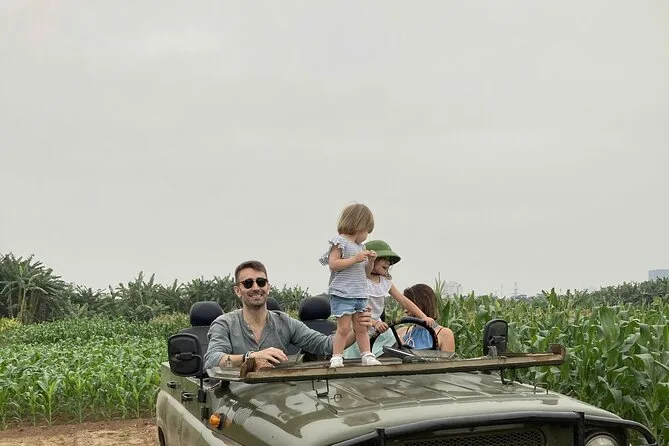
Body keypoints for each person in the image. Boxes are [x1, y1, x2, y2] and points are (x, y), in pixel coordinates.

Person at [203, 260, 373, 370]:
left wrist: (356, 329)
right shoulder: (224, 324)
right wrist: (250, 357)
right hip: (236, 397)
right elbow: (212, 360)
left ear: (268, 287)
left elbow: (326, 345)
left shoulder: (284, 322)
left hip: (279, 394)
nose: (255, 287)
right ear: (238, 290)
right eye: (248, 283)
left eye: (261, 282)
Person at [318, 203, 381, 368]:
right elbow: (333, 264)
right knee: (344, 328)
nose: (366, 236)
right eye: (367, 231)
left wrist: (371, 261)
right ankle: (337, 356)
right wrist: (355, 259)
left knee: (361, 327)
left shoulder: (361, 247)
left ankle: (366, 354)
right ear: (359, 226)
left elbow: (365, 272)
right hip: (343, 293)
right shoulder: (340, 242)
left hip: (359, 293)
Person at [396, 283, 455, 352]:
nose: (405, 310)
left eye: (409, 305)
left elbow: (447, 358)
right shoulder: (401, 332)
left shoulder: (444, 333)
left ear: (423, 303)